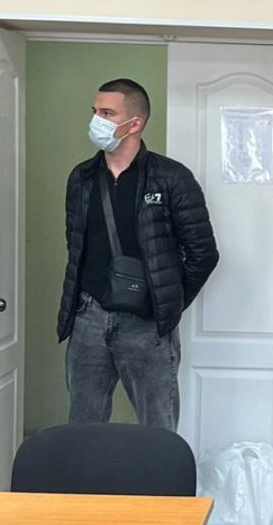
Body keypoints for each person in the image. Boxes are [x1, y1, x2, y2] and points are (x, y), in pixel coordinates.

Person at [57, 78, 219, 431]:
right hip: (89, 317)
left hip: (146, 325)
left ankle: (158, 475)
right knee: (82, 428)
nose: (96, 121)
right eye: (95, 112)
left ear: (134, 124)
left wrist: (166, 301)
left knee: (158, 428)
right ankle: (85, 472)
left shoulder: (171, 178)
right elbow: (75, 245)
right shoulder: (82, 178)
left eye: (106, 113)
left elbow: (203, 253)